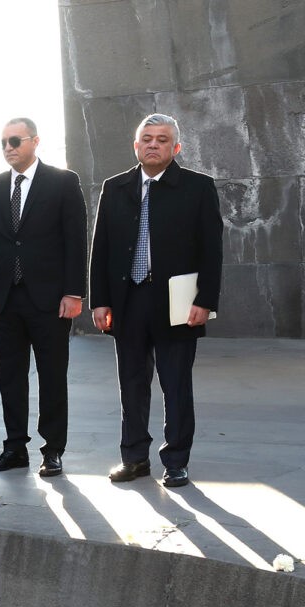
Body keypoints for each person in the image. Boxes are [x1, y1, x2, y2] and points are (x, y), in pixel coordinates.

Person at [90, 114, 222, 488]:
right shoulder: (114, 188)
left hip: (178, 303)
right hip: (128, 301)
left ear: (175, 147)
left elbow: (212, 251)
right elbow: (101, 248)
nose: (153, 144)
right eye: (146, 138)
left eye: (162, 139)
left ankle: (176, 460)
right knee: (131, 384)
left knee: (176, 384)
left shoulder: (198, 187)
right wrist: (100, 300)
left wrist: (205, 301)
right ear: (136, 146)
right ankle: (134, 458)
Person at [0, 118, 86, 477]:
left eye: (16, 140)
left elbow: (75, 241)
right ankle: (14, 447)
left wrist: (73, 291)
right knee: (9, 376)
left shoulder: (63, 182)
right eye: (4, 141)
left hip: (51, 299)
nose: (9, 147)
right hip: (5, 299)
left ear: (35, 141)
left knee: (53, 376)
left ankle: (52, 449)